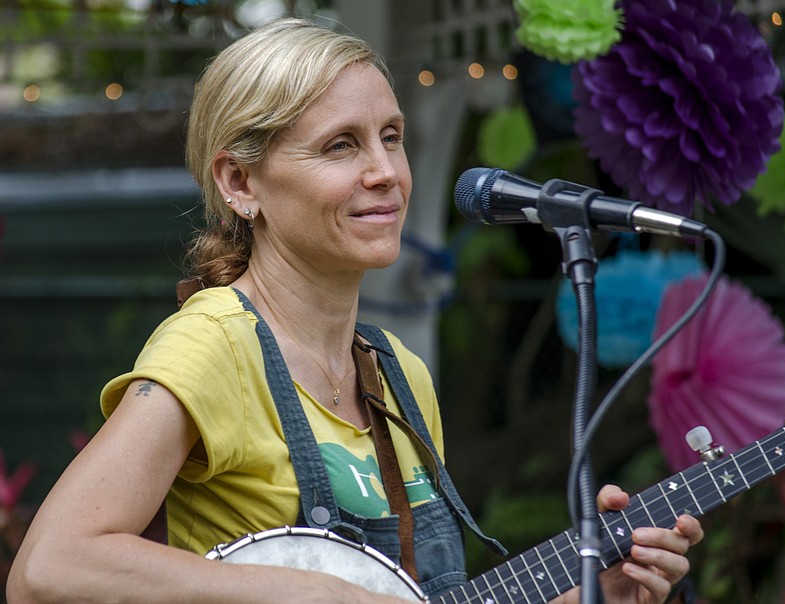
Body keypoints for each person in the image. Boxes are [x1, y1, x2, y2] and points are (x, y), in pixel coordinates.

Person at [7, 17, 702, 604]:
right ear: (240, 181)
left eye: (391, 137)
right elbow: (49, 567)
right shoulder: (215, 343)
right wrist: (310, 592)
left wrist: (591, 588)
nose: (386, 173)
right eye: (342, 144)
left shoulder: (399, 375)